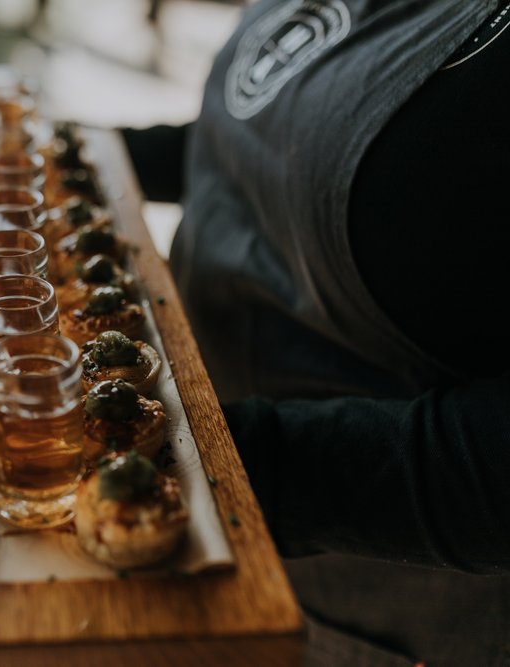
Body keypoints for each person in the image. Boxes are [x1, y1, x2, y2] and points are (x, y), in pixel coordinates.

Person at [122, 1, 510, 665]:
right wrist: (87, 158)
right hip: (184, 505)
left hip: (355, 620)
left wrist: (224, 466)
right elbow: (270, 125)